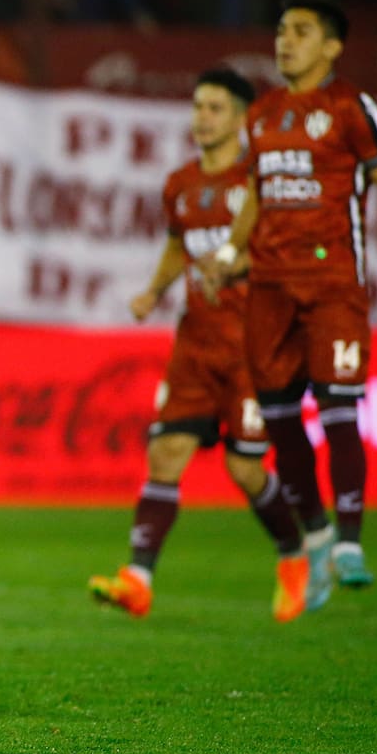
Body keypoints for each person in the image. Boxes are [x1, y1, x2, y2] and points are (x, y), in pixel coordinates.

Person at [209, 0, 377, 611]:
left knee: (338, 409)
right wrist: (231, 253)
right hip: (269, 291)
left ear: (331, 45)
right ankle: (318, 531)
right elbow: (255, 190)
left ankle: (352, 541)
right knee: (281, 421)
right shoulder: (264, 114)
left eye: (301, 32)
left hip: (333, 287)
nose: (286, 41)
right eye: (281, 30)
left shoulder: (351, 107)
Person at [88, 69, 308, 622]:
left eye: (214, 108)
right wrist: (153, 291)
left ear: (240, 119)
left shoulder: (259, 186)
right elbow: (176, 245)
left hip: (253, 347)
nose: (202, 117)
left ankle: (293, 553)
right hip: (196, 342)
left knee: (245, 470)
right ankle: (137, 580)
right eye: (198, 106)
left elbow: (287, 257)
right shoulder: (181, 184)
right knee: (165, 453)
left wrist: (236, 269)